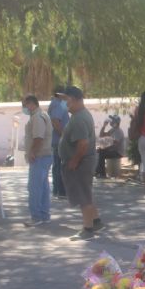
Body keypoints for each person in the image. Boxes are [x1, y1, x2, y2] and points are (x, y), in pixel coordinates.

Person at [57, 85, 103, 240]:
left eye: (66, 99)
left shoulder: (79, 118)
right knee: (86, 192)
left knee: (83, 196)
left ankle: (87, 229)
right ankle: (95, 221)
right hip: (83, 161)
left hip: (81, 162)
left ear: (76, 99)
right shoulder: (79, 116)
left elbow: (82, 143)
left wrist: (74, 161)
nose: (64, 103)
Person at [22, 95, 53, 226]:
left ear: (30, 104)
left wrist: (33, 152)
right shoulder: (42, 115)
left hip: (39, 156)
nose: (24, 108)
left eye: (25, 105)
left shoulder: (37, 117)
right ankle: (44, 215)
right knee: (43, 186)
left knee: (34, 187)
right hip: (45, 155)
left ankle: (36, 217)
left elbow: (38, 138)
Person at [48, 88, 70, 198]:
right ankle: (61, 191)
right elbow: (56, 122)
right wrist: (64, 136)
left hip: (56, 141)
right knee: (60, 166)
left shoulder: (55, 104)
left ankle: (58, 190)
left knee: (57, 166)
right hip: (59, 141)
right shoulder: (58, 105)